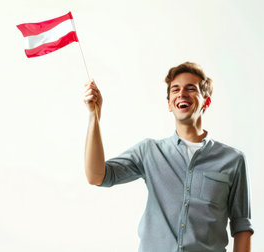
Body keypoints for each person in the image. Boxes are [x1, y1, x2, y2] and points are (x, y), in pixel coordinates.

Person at [83, 62, 254, 252]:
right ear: (169, 104)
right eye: (175, 89)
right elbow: (97, 176)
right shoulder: (149, 151)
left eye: (191, 89)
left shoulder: (233, 160)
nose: (182, 93)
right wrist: (94, 117)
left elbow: (242, 227)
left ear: (206, 101)